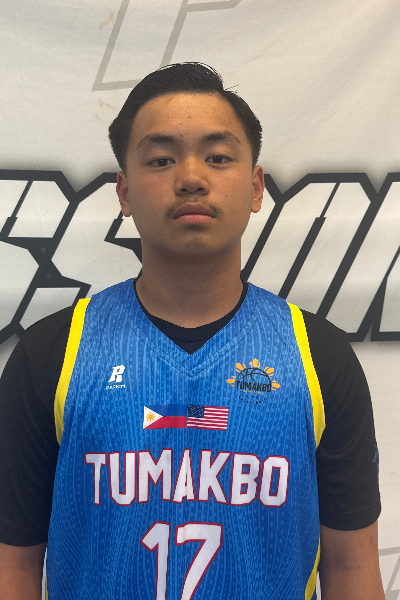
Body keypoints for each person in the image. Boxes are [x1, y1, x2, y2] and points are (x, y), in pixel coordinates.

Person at [0, 63, 384, 600]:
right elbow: (13, 565)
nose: (191, 178)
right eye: (161, 159)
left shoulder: (319, 356)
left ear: (256, 187)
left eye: (218, 157)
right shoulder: (52, 353)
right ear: (125, 192)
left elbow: (351, 567)